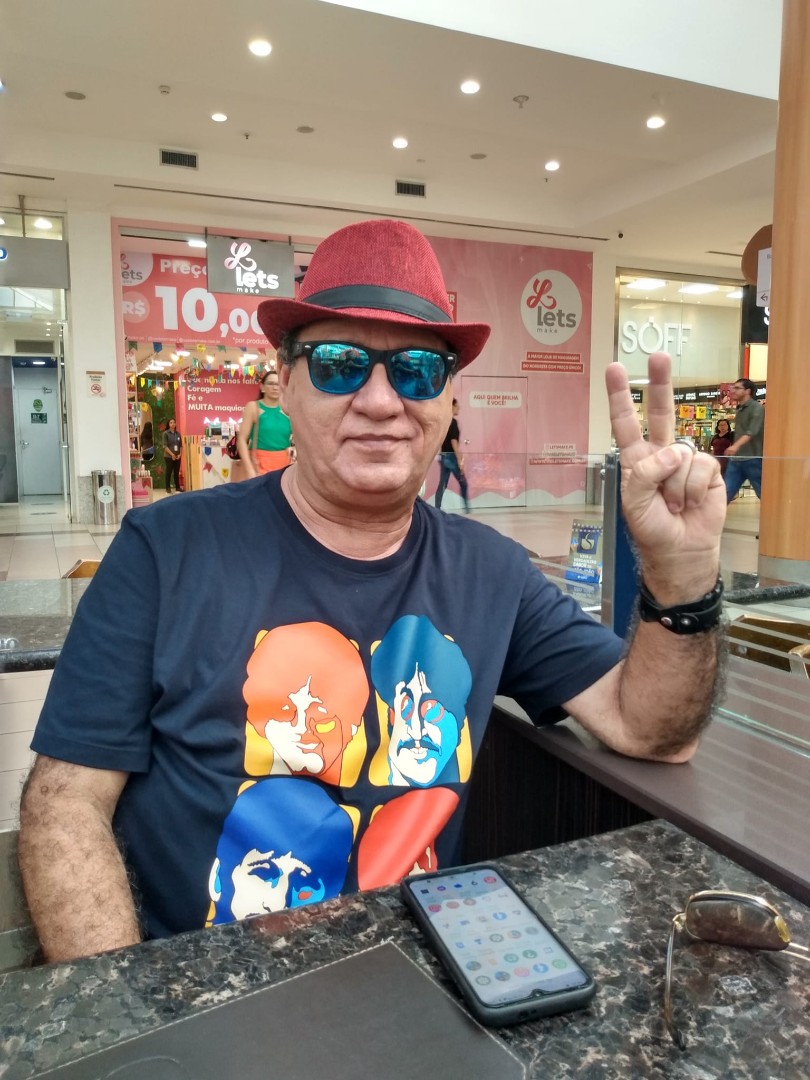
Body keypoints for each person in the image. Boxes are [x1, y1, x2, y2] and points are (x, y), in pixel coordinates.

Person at [18, 219, 726, 963]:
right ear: (286, 381)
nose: (382, 401)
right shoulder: (165, 550)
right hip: (197, 986)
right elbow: (66, 803)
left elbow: (651, 730)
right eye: (339, 364)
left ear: (448, 400)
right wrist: (127, 1009)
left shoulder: (492, 572)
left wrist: (681, 579)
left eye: (418, 370)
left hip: (409, 979)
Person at [236, 369, 293, 477]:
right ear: (262, 387)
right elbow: (242, 440)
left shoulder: (288, 409)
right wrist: (249, 470)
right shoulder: (253, 407)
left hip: (284, 466)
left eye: (278, 384)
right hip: (258, 466)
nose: (275, 387)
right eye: (271, 383)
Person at [723, 378, 764, 501]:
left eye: (737, 388)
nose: (733, 391)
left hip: (753, 458)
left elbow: (752, 431)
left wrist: (735, 446)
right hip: (736, 459)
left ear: (747, 391)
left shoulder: (756, 408)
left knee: (764, 494)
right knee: (725, 493)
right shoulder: (740, 408)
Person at [435, 398, 469, 511]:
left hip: (443, 456)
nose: (459, 408)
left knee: (443, 484)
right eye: (457, 406)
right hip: (451, 457)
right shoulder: (453, 423)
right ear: (452, 407)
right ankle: (467, 508)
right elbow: (454, 441)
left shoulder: (443, 422)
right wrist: (459, 459)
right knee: (463, 483)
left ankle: (437, 508)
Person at [162, 418, 182, 493]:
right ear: (168, 424)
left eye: (174, 422)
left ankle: (178, 487)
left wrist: (180, 454)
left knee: (176, 472)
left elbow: (180, 446)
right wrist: (172, 454)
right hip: (168, 457)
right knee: (169, 472)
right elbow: (165, 446)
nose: (173, 424)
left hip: (177, 456)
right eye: (171, 422)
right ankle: (167, 487)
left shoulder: (178, 434)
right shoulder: (165, 433)